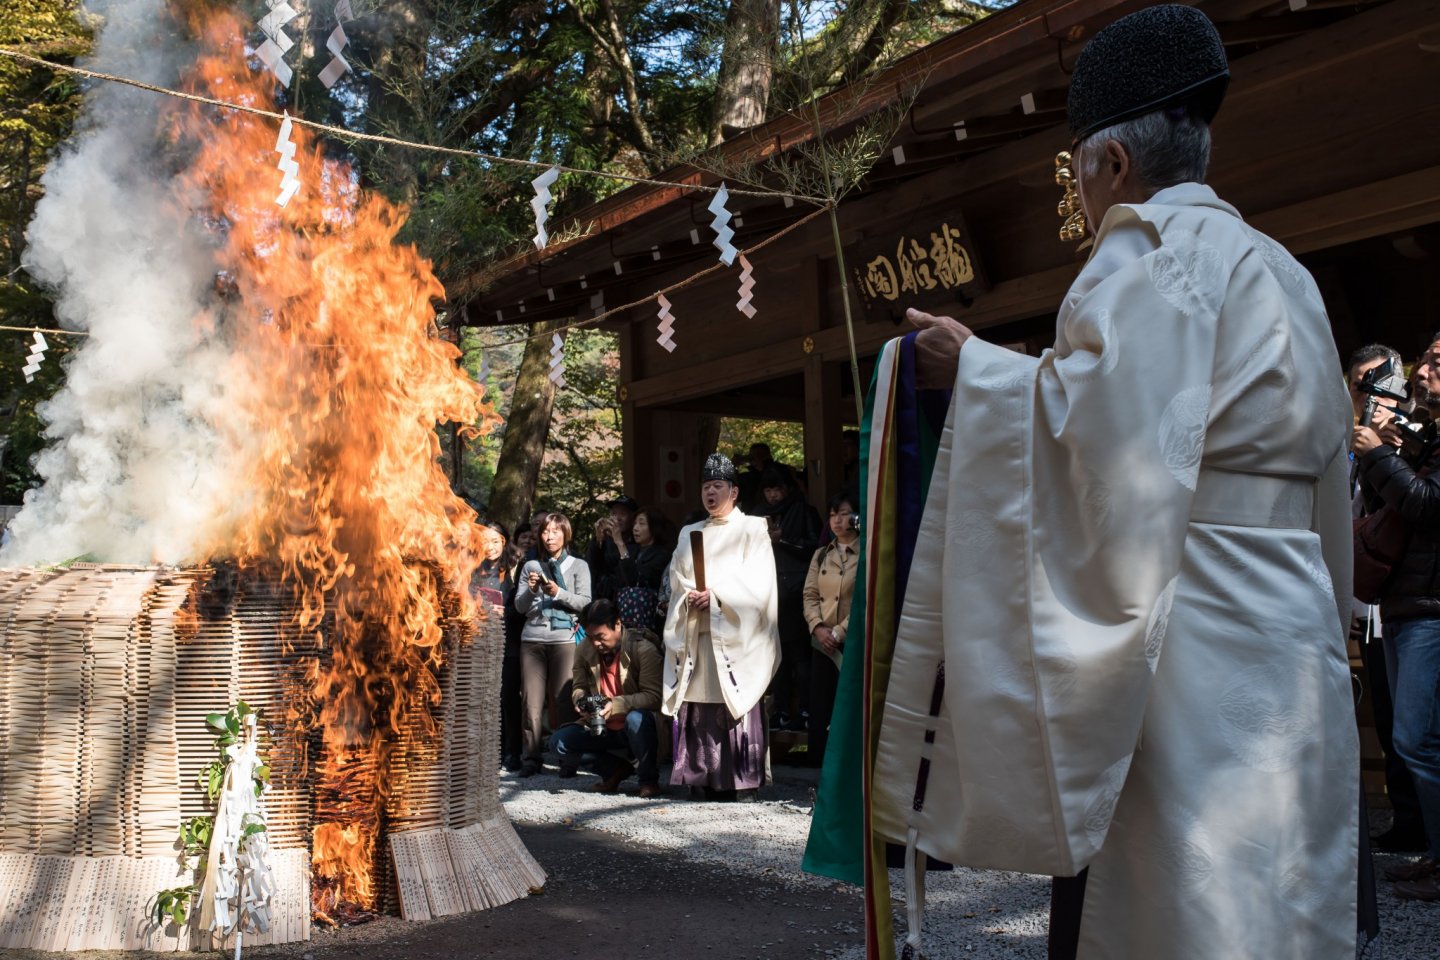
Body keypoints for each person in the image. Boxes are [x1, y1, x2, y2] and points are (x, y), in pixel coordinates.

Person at [874, 7, 1359, 958]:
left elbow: (1099, 436)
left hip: (1188, 610)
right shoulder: (1285, 269)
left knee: (1175, 885)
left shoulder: (1142, 254)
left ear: (1111, 166)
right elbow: (1329, 464)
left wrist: (974, 367)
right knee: (1277, 879)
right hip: (1291, 610)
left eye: (1077, 170)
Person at [1354, 333, 1440, 900]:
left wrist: (1378, 454)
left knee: (1416, 740)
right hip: (1406, 602)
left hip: (1432, 606)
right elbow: (1389, 506)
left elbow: (1430, 506)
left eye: (1436, 361)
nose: (1422, 370)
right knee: (1415, 738)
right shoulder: (1426, 433)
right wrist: (1391, 446)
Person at [663, 453, 780, 801]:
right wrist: (691, 597)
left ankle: (740, 781)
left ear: (734, 491)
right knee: (698, 701)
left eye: (717, 486)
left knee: (735, 697)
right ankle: (699, 777)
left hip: (734, 634)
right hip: (698, 632)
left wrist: (717, 596)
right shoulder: (689, 533)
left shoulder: (753, 529)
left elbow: (758, 581)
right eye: (706, 486)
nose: (710, 492)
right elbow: (677, 578)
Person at [552, 599, 664, 797]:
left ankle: (648, 780)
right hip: (601, 724)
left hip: (637, 725)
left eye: (600, 636)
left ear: (618, 625)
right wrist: (580, 700)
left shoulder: (643, 649)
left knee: (636, 718)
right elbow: (578, 686)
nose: (595, 643)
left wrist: (616, 704)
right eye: (590, 636)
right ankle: (614, 771)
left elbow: (654, 697)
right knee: (559, 742)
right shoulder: (585, 648)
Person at [513, 512, 592, 778]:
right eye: (546, 532)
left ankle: (567, 758)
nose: (549, 537)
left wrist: (558, 593)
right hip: (532, 639)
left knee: (564, 701)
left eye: (556, 531)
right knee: (531, 702)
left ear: (565, 534)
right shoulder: (530, 565)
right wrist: (533, 590)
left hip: (564, 640)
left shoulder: (578, 566)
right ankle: (531, 757)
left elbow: (586, 603)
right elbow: (520, 607)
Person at [760, 468, 821, 730]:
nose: (773, 495)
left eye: (777, 489)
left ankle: (807, 711)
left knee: (799, 656)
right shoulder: (757, 514)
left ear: (787, 489)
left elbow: (815, 548)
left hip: (796, 592)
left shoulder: (805, 511)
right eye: (768, 490)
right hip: (768, 591)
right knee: (776, 657)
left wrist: (781, 539)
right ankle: (781, 711)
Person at [802, 492, 858, 768]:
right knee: (822, 704)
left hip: (852, 640)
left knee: (848, 705)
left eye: (844, 513)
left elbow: (865, 599)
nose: (837, 520)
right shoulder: (821, 554)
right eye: (833, 514)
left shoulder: (866, 551)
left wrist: (840, 632)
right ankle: (821, 765)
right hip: (822, 642)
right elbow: (810, 595)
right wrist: (818, 627)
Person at [499, 521, 536, 771]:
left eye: (496, 540)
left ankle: (511, 751)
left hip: (511, 641)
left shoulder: (520, 568)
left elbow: (521, 608)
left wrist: (502, 611)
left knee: (509, 697)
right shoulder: (475, 570)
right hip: (479, 642)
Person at [616, 506, 677, 635]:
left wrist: (620, 544)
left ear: (654, 528)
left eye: (641, 523)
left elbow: (635, 580)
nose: (635, 528)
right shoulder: (633, 550)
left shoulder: (663, 554)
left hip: (649, 617)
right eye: (634, 524)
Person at [586, 495, 639, 602]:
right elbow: (591, 565)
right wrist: (598, 539)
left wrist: (618, 540)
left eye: (623, 514)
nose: (617, 518)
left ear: (633, 518)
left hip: (626, 600)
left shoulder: (638, 541)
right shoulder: (607, 540)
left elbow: (630, 575)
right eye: (614, 513)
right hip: (602, 598)